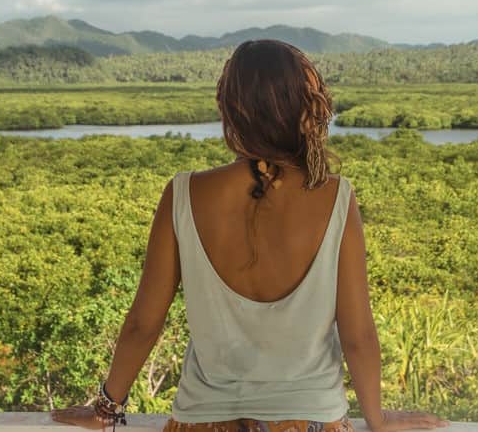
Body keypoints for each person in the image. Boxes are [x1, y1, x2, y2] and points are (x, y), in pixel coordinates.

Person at [51, 39, 449, 432]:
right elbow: (357, 335)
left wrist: (105, 409)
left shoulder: (184, 193)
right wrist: (377, 419)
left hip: (203, 422)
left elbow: (143, 323)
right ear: (303, 111)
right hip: (311, 419)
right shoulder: (336, 197)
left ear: (230, 111)